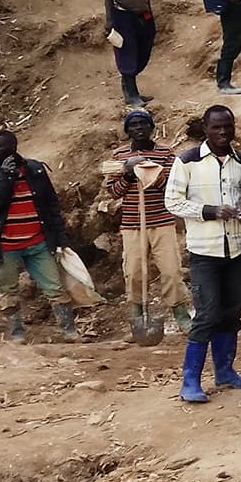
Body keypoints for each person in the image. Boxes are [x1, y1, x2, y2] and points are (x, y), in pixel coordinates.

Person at [163, 105, 241, 402]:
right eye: (216, 127)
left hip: (238, 247)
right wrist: (209, 211)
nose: (222, 132)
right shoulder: (188, 161)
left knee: (231, 312)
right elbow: (173, 202)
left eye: (227, 127)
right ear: (205, 128)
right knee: (206, 314)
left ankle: (225, 371)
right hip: (205, 250)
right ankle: (190, 382)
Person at [0, 131, 79, 342]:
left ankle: (69, 332)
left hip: (37, 241)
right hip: (6, 245)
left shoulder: (35, 170)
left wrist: (60, 238)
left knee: (55, 287)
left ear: (12, 147)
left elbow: (52, 205)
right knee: (8, 291)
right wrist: (6, 179)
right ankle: (17, 334)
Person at [106, 108, 193, 338]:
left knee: (171, 271)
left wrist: (148, 170)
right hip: (132, 224)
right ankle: (137, 319)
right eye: (133, 125)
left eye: (142, 124)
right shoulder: (119, 157)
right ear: (127, 131)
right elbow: (113, 192)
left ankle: (182, 315)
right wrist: (127, 174)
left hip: (162, 221)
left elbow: (174, 185)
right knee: (133, 272)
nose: (138, 129)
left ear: (151, 127)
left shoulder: (165, 154)